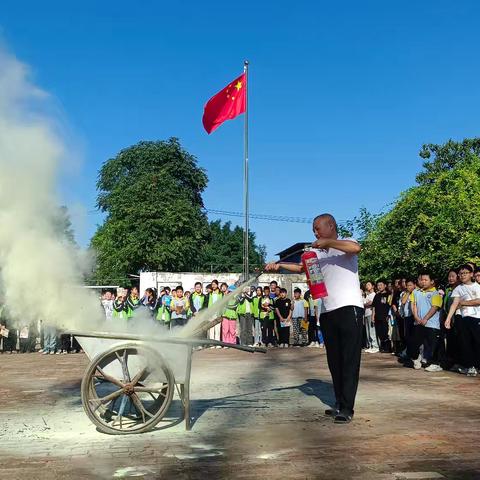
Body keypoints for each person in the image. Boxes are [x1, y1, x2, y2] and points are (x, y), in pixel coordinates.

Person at [266, 213, 364, 424]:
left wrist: (328, 242)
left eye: (318, 228)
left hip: (349, 308)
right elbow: (302, 268)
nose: (315, 232)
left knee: (349, 360)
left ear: (330, 226)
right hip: (328, 311)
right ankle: (338, 402)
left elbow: (356, 249)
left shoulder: (347, 244)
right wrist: (280, 265)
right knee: (334, 361)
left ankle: (347, 408)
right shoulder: (315, 255)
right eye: (313, 229)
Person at [445, 264, 480, 376]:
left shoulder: (478, 287)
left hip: (477, 318)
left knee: (477, 342)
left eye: (465, 273)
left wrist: (463, 303)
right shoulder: (458, 288)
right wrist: (448, 318)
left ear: (471, 274)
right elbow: (454, 304)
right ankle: (470, 366)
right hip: (465, 318)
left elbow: (479, 301)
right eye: (461, 273)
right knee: (466, 343)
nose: (463, 275)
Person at [406, 272, 444, 372]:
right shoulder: (416, 292)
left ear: (432, 281)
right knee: (414, 342)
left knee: (432, 345)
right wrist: (417, 317)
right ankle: (416, 358)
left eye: (426, 280)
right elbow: (413, 305)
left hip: (432, 324)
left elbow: (435, 307)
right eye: (422, 279)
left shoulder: (435, 293)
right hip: (418, 323)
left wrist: (426, 318)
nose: (423, 282)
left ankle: (435, 363)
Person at [371, 280, 392, 353]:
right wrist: (373, 316)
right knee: (379, 332)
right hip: (377, 317)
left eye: (381, 285)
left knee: (386, 332)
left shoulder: (389, 294)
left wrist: (389, 316)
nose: (379, 287)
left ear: (385, 285)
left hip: (385, 317)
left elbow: (390, 306)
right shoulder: (377, 295)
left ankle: (388, 348)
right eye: (378, 285)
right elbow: (374, 306)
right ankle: (382, 347)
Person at [363, 281, 378, 353]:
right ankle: (370, 345)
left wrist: (365, 304)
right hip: (366, 314)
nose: (367, 286)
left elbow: (371, 303)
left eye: (369, 284)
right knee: (367, 331)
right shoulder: (367, 295)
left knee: (372, 330)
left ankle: (375, 346)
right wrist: (366, 304)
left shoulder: (374, 294)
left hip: (371, 314)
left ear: (373, 286)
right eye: (366, 285)